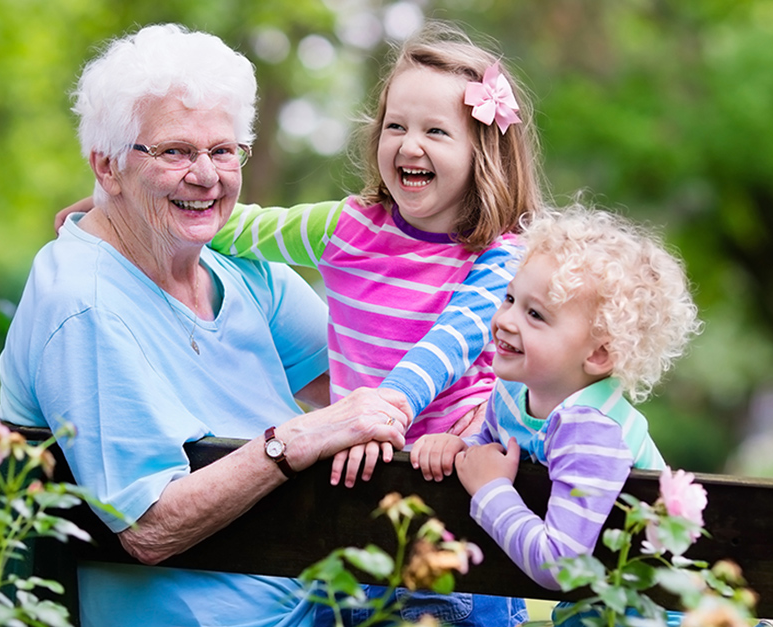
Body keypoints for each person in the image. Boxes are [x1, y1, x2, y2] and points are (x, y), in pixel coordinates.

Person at [0, 24, 412, 627]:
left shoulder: (236, 270)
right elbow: (148, 527)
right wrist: (290, 441)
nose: (207, 175)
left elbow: (373, 386)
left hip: (317, 603)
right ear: (106, 168)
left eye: (222, 151)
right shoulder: (83, 304)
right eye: (175, 152)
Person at [210, 23, 544, 494]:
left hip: (458, 458)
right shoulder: (346, 229)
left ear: (482, 154)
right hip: (360, 456)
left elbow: (451, 342)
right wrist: (133, 208)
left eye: (436, 131)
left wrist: (385, 409)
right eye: (396, 126)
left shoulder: (501, 258)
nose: (410, 145)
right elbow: (237, 230)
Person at [410, 202, 702, 592]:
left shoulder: (592, 428)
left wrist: (490, 492)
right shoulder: (512, 393)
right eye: (511, 299)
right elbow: (490, 455)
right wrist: (460, 447)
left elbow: (562, 567)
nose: (505, 320)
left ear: (598, 354)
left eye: (536, 315)